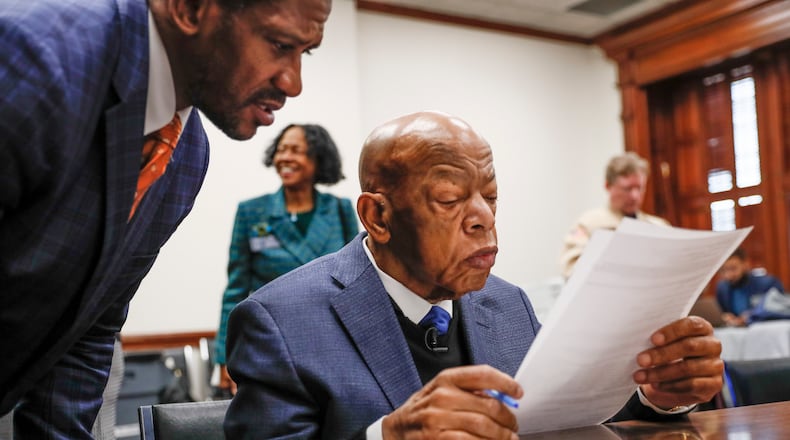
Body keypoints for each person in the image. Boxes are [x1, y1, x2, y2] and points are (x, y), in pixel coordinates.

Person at [223, 111, 724, 439]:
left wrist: (656, 394)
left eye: (491, 196)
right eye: (449, 199)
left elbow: (573, 422)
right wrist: (387, 437)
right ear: (378, 217)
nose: (483, 216)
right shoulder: (281, 321)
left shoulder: (509, 306)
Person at [0, 0, 332, 437]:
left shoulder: (187, 156)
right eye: (279, 44)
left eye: (303, 53)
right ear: (190, 9)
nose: (294, 83)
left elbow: (90, 323)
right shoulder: (38, 54)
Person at [214, 123, 358, 396]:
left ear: (318, 159)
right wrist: (224, 355)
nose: (285, 158)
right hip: (272, 345)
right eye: (280, 150)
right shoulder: (251, 212)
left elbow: (358, 281)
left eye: (296, 150)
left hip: (333, 345)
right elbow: (235, 290)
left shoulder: (340, 210)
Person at [560, 152, 669, 278]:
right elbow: (571, 269)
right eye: (627, 189)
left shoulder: (659, 227)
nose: (635, 196)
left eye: (639, 188)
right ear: (608, 186)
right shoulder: (588, 224)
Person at [716, 247, 785, 327]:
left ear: (745, 264)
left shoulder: (769, 284)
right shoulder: (722, 288)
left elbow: (779, 309)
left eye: (733, 269)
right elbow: (723, 312)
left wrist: (752, 315)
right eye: (722, 270)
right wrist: (725, 317)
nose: (728, 275)